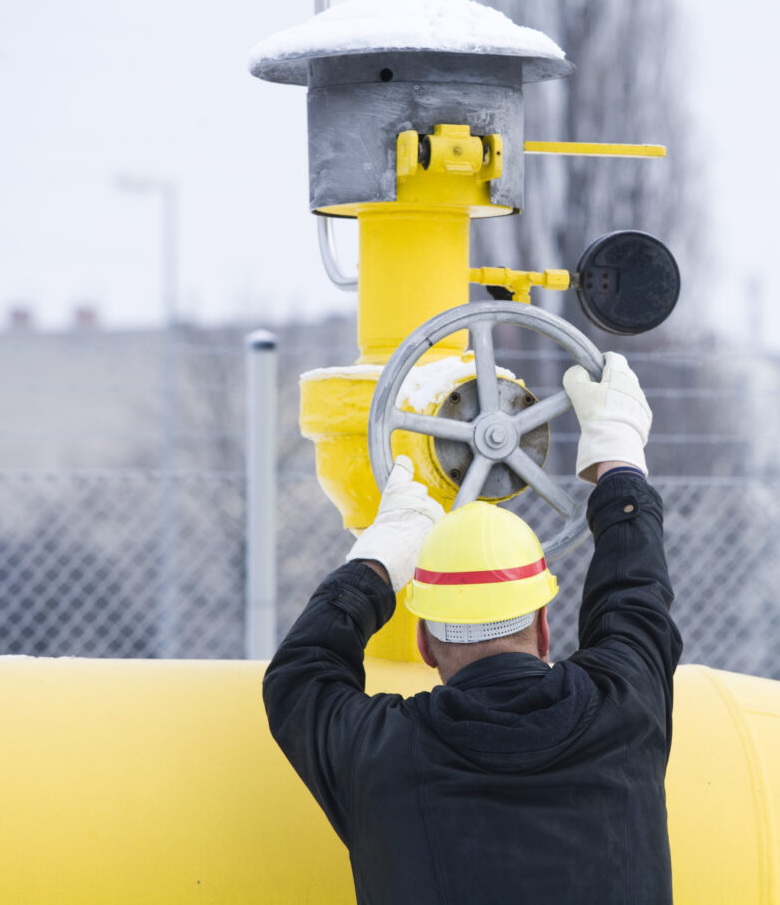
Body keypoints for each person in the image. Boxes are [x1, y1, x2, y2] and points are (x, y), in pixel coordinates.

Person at [263, 352, 681, 905]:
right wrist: (618, 453)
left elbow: (297, 678)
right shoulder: (625, 709)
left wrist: (381, 557)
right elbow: (635, 597)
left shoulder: (380, 755)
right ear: (543, 625)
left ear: (424, 644)